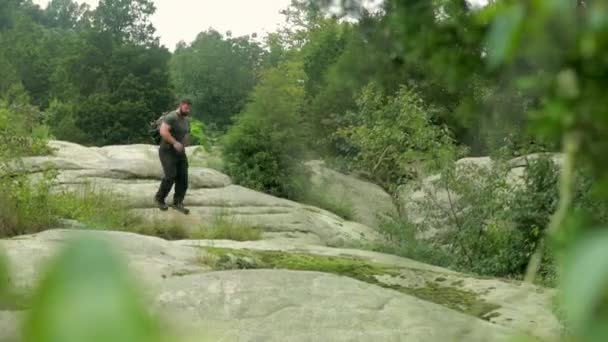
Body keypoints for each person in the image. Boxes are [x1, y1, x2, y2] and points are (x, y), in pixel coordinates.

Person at [154, 99, 192, 214]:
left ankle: (178, 202)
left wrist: (185, 143)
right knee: (170, 176)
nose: (188, 110)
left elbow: (186, 134)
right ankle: (159, 199)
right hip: (167, 150)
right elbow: (163, 131)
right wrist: (175, 143)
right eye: (186, 108)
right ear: (180, 105)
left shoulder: (186, 120)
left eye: (189, 109)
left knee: (183, 178)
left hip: (180, 152)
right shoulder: (171, 117)